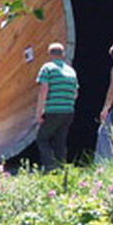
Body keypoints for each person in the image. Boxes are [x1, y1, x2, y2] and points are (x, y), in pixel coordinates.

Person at [34, 41, 78, 171]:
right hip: (68, 111)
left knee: (42, 138)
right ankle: (61, 168)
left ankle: (50, 166)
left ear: (50, 54)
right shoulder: (71, 71)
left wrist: (39, 112)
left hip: (53, 110)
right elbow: (75, 94)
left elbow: (44, 90)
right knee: (60, 140)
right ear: (63, 54)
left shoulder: (47, 68)